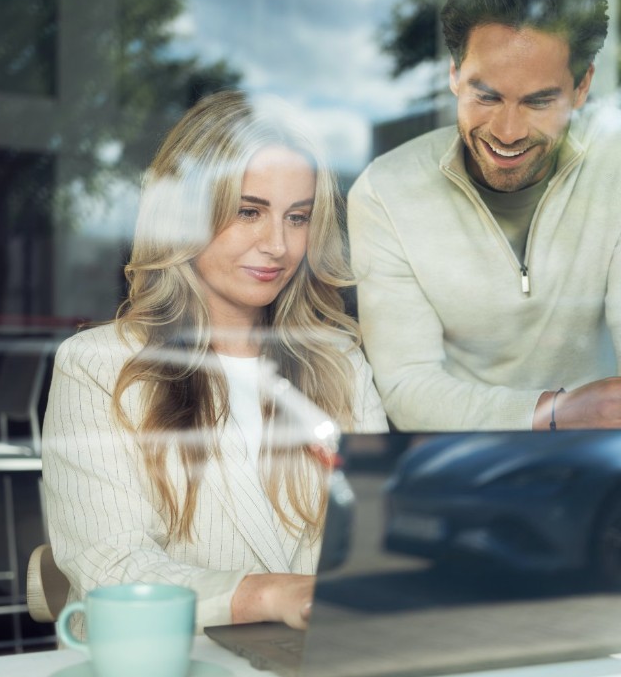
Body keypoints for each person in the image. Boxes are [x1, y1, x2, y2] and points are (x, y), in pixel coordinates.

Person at [347, 0, 621, 610]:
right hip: (450, 508)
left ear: (582, 87)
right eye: (486, 95)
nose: (507, 130)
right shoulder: (385, 192)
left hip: (604, 501)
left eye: (539, 100)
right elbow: (406, 385)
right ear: (455, 74)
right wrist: (552, 413)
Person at [42, 91, 388, 633]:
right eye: (249, 212)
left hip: (322, 667)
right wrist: (270, 595)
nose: (277, 245)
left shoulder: (338, 361)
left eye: (296, 218)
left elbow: (377, 533)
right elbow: (110, 567)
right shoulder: (97, 366)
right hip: (169, 675)